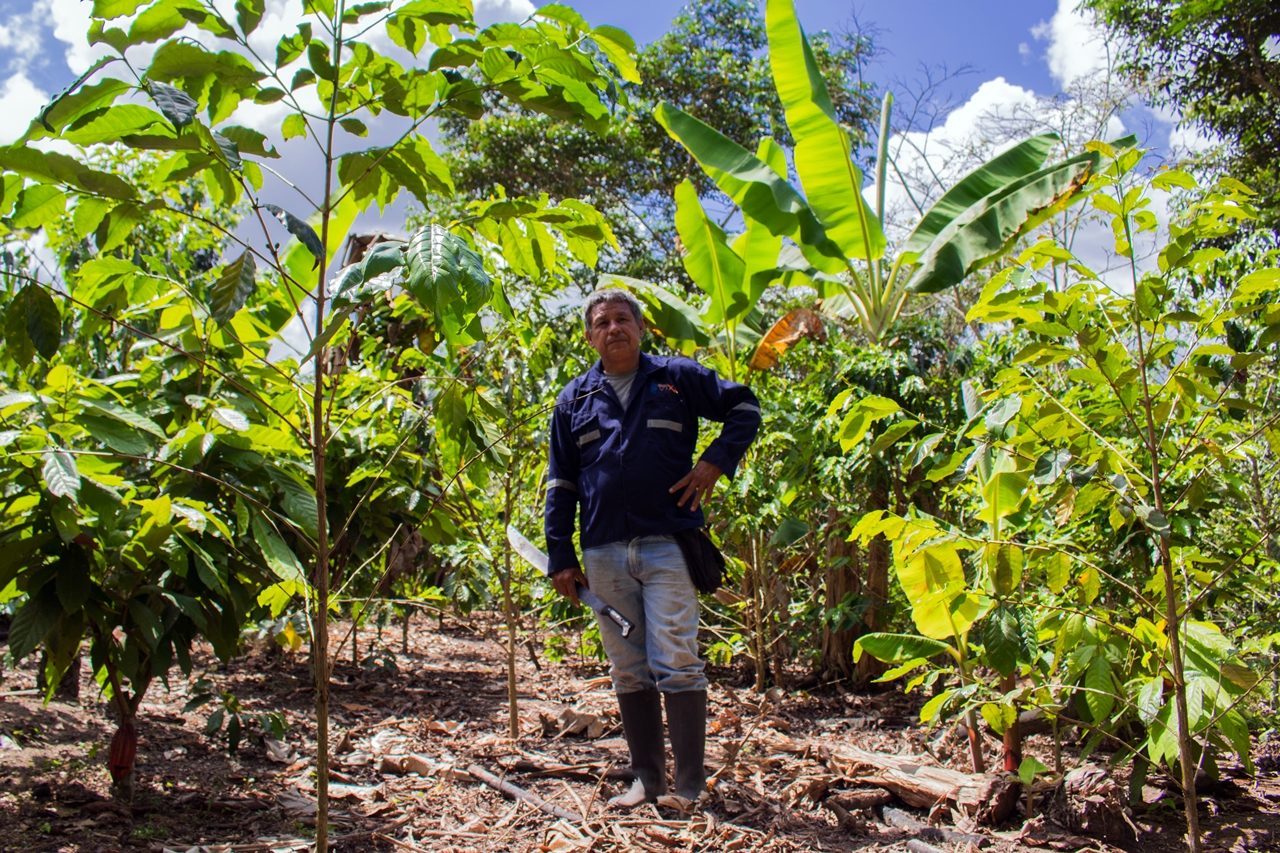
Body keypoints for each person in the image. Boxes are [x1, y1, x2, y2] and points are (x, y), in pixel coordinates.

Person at [543, 287, 762, 807]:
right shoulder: (572, 399)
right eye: (602, 323)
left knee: (678, 658)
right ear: (589, 337)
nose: (614, 329)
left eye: (623, 319)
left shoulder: (676, 378)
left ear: (641, 329)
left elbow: (745, 407)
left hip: (668, 543)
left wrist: (714, 462)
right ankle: (647, 781)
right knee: (627, 666)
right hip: (602, 552)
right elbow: (561, 481)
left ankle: (688, 787)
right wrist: (560, 555)